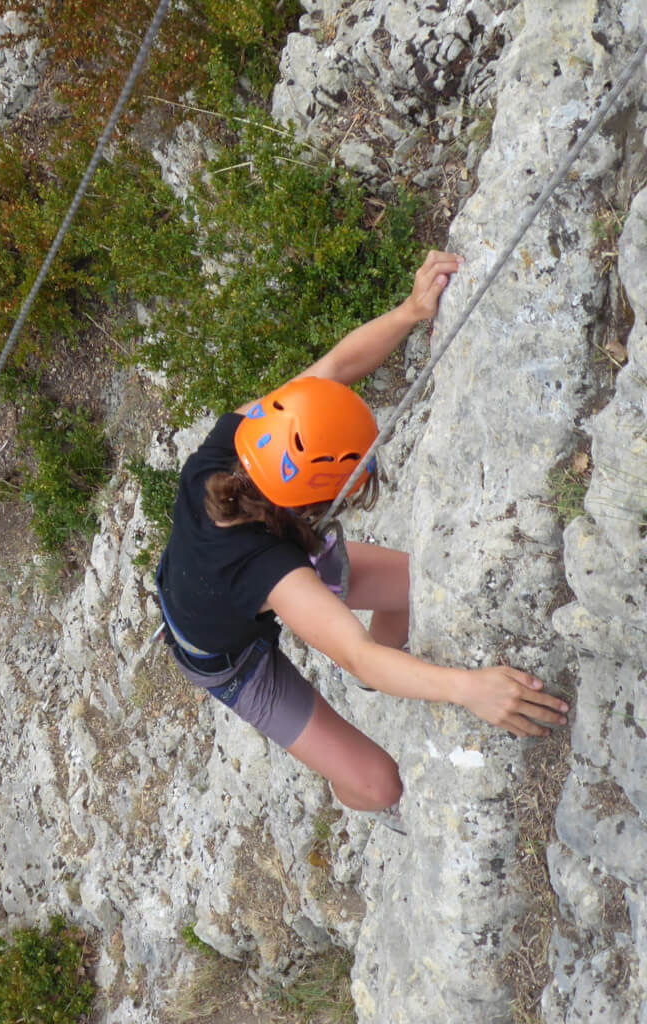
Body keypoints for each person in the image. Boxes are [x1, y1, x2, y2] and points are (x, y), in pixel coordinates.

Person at [155, 250, 569, 815]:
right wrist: (468, 688)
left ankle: (399, 664)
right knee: (379, 786)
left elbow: (334, 368)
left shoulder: (248, 436)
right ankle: (341, 775)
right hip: (224, 659)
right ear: (314, 503)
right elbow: (354, 656)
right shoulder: (271, 568)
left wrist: (410, 311)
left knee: (414, 582)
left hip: (224, 577)